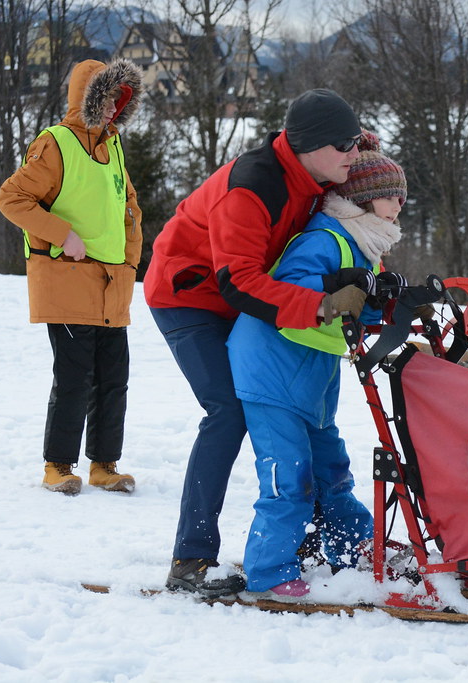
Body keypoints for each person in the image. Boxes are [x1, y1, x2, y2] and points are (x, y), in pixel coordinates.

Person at [143, 89, 363, 597]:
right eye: (346, 144)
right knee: (229, 411)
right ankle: (191, 557)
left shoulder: (316, 172)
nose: (355, 153)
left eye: (357, 141)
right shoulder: (252, 186)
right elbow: (238, 281)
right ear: (310, 146)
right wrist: (320, 307)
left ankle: (305, 539)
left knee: (294, 406)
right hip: (189, 298)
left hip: (244, 303)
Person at [227, 133, 407, 601]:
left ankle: (354, 549)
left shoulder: (362, 243)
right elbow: (292, 293)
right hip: (272, 375)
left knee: (333, 472)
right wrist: (338, 285)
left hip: (311, 380)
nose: (399, 207)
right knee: (290, 476)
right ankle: (267, 572)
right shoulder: (324, 237)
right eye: (391, 196)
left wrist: (378, 299)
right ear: (364, 199)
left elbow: (351, 313)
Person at [0, 59, 144, 496]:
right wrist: (64, 234)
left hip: (111, 284)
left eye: (121, 98)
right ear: (89, 98)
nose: (114, 107)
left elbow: (129, 209)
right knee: (75, 376)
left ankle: (104, 465)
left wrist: (130, 261)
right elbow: (12, 198)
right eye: (107, 97)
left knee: (114, 377)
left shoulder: (113, 146)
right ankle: (57, 467)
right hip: (68, 278)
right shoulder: (55, 144)